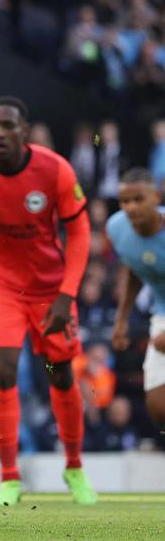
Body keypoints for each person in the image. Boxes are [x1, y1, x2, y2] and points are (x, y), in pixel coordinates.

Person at [0, 96, 97, 506]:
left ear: (24, 131)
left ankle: (75, 466)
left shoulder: (54, 170)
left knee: (60, 373)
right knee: (4, 369)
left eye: (6, 126)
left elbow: (79, 233)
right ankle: (9, 477)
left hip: (51, 290)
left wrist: (67, 295)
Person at [106, 168, 165, 430]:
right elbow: (136, 264)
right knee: (158, 407)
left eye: (138, 199)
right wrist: (121, 319)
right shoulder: (116, 228)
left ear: (156, 198)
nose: (130, 208)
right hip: (161, 314)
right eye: (124, 201)